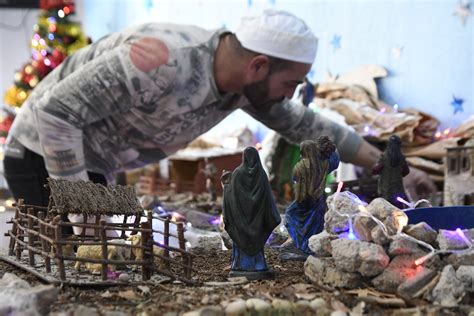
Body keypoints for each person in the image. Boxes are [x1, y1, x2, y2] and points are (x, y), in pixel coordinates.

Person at [3, 10, 434, 219]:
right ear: (259, 66)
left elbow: (307, 126)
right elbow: (55, 114)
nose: (291, 95)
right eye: (290, 84)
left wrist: (390, 161)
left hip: (95, 165)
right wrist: (85, 209)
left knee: (109, 256)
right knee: (74, 262)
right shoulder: (159, 59)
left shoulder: (243, 87)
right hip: (39, 155)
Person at [221, 146, 280, 279]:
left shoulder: (237, 173)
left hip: (240, 220)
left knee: (242, 241)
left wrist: (226, 186)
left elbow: (232, 196)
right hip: (258, 220)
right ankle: (258, 266)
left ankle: (240, 266)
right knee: (256, 242)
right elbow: (267, 198)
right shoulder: (262, 174)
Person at [282, 136, 339, 260]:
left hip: (302, 200)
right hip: (318, 200)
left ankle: (301, 246)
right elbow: (335, 161)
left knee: (290, 217)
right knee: (314, 225)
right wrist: (331, 148)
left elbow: (295, 179)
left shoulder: (299, 166)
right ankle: (306, 247)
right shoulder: (324, 163)